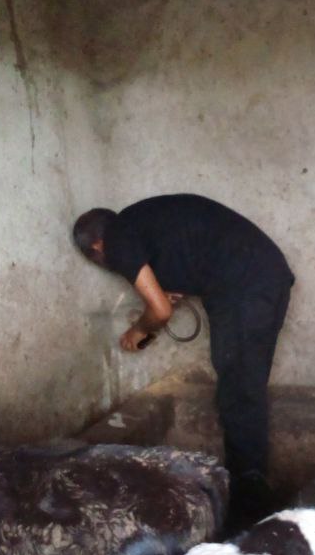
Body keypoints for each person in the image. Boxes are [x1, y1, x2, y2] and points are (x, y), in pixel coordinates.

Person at [73, 194, 294, 523]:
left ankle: (250, 500)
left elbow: (159, 311)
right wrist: (167, 290)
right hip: (263, 275)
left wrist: (137, 331)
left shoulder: (118, 238)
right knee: (244, 382)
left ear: (97, 247)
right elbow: (193, 253)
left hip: (245, 285)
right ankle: (253, 486)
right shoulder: (142, 223)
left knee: (238, 388)